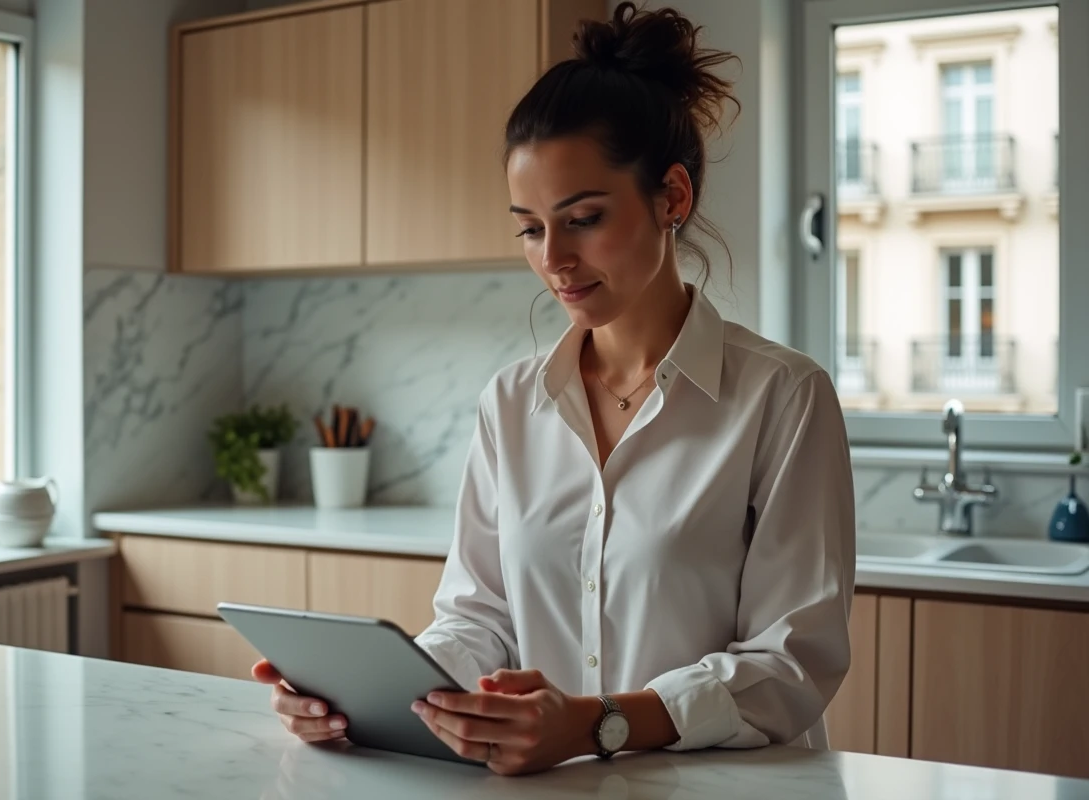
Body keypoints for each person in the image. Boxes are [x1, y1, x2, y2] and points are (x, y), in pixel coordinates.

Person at [253, 2, 856, 777]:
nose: (555, 259)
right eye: (532, 228)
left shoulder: (784, 398)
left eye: (585, 218)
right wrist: (365, 699)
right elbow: (477, 618)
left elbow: (792, 664)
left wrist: (597, 724)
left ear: (673, 197)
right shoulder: (511, 403)